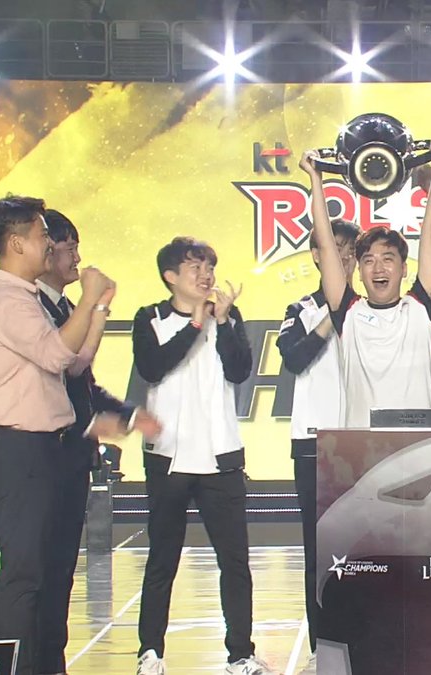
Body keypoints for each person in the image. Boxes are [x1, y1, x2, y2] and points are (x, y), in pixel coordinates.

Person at [0, 195, 126, 675]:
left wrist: (94, 308)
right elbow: (56, 355)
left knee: (47, 572)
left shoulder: (27, 298)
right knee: (23, 575)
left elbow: (72, 364)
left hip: (43, 449)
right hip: (18, 447)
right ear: (16, 243)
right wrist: (90, 298)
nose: (49, 245)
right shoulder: (7, 301)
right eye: (41, 236)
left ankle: (39, 665)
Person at [131, 236, 275, 675]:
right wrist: (194, 325)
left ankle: (240, 654)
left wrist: (223, 320)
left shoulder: (226, 317)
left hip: (220, 458)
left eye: (209, 267)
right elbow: (152, 367)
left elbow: (240, 370)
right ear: (170, 276)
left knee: (235, 563)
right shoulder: (150, 318)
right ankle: (150, 652)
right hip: (168, 458)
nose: (206, 275)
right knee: (162, 559)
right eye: (195, 267)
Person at [33, 208, 160, 674]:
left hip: (70, 457)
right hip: (42, 457)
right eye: (70, 248)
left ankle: (50, 661)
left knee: (60, 573)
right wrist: (98, 305)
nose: (77, 258)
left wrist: (127, 415)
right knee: (35, 573)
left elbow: (82, 382)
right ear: (45, 250)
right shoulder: (29, 305)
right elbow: (67, 367)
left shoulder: (64, 307)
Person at [297, 138, 431, 426]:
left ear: (404, 269)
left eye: (388, 259)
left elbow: (429, 232)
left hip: (420, 444)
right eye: (368, 260)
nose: (378, 268)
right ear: (358, 270)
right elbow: (327, 246)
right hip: (361, 447)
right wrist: (315, 179)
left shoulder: (420, 307)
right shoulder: (348, 311)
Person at [275, 217, 360, 675]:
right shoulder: (301, 309)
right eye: (334, 250)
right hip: (313, 444)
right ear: (316, 255)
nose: (343, 259)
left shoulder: (371, 309)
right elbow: (294, 358)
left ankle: (363, 643)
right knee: (320, 554)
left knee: (365, 553)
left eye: (350, 252)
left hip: (364, 445)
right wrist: (333, 316)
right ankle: (323, 646)